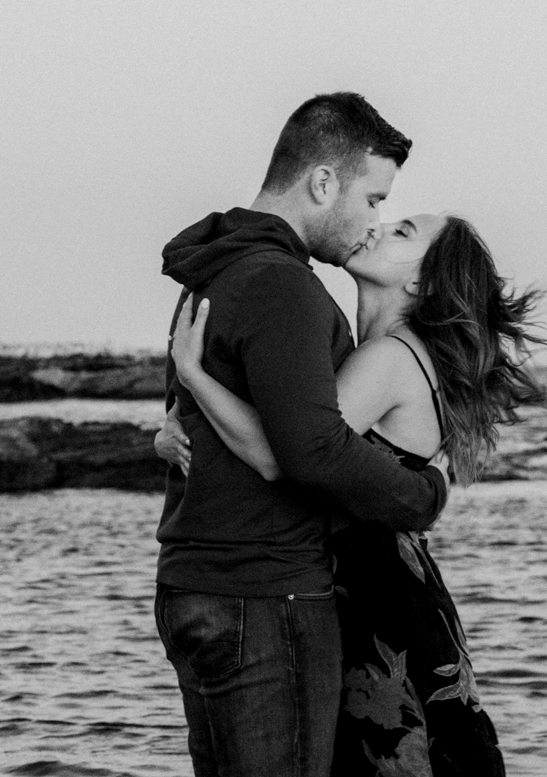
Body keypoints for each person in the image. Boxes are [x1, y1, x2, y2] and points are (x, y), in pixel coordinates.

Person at [157, 208, 547, 777]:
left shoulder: (389, 358)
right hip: (389, 587)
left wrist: (195, 376)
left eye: (403, 233)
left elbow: (283, 453)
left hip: (374, 597)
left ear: (421, 281)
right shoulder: (399, 353)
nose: (379, 226)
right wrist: (175, 430)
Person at [153, 92, 451, 777]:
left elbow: (181, 418)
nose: (372, 220)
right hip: (265, 597)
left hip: (193, 585)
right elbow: (310, 449)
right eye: (372, 198)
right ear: (323, 182)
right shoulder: (282, 284)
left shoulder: (215, 268)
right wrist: (422, 492)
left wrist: (185, 398)